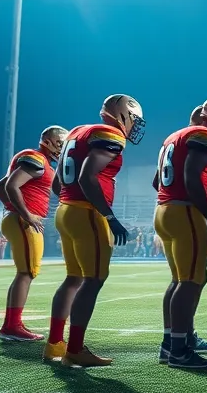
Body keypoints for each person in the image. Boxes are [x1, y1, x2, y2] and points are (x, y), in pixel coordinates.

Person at [44, 94, 141, 367]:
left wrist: (67, 200)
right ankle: (74, 349)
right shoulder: (110, 134)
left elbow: (61, 179)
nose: (134, 126)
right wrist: (109, 216)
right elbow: (88, 175)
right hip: (87, 212)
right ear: (125, 115)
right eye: (134, 119)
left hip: (66, 210)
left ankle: (54, 345)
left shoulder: (78, 131)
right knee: (93, 279)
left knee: (73, 278)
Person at [153, 97, 207, 368]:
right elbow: (190, 176)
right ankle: (179, 349)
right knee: (189, 281)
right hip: (185, 210)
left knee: (181, 280)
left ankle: (171, 343)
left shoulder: (174, 136)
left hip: (164, 209)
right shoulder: (204, 135)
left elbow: (157, 181)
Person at [0, 126, 68, 342]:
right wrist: (25, 213)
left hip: (19, 218)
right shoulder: (36, 159)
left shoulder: (42, 163)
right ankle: (11, 327)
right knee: (26, 273)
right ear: (51, 141)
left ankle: (11, 324)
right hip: (24, 220)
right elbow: (11, 185)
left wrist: (12, 209)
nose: (62, 148)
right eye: (61, 143)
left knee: (25, 273)